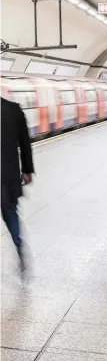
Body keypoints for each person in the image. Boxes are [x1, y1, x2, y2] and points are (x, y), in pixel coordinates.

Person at [1, 96, 34, 264]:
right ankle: (18, 243)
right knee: (10, 212)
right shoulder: (13, 109)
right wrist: (27, 170)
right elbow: (25, 142)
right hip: (7, 175)